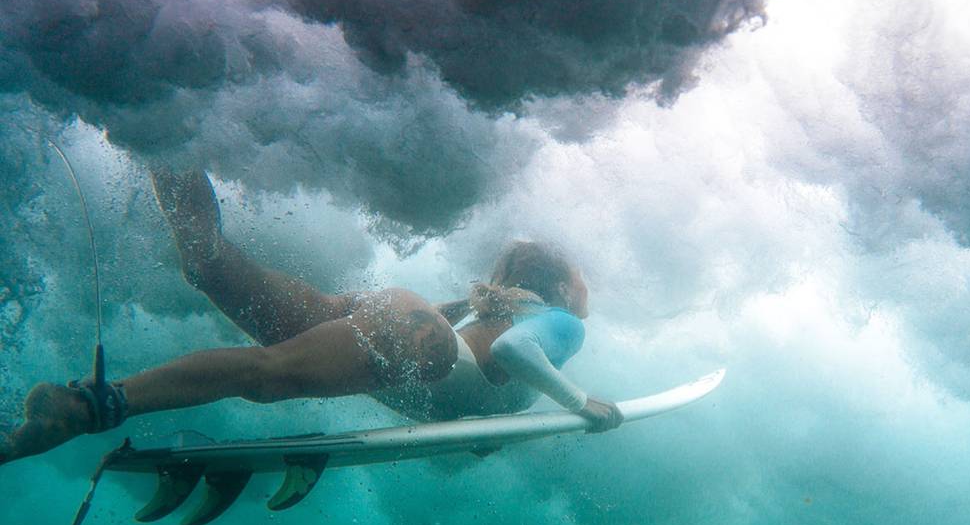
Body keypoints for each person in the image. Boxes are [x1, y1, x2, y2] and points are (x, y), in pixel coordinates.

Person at [0, 169, 622, 465]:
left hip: (408, 321)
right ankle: (91, 406)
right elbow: (513, 356)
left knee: (219, 271)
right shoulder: (564, 327)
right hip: (423, 344)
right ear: (564, 289)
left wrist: (485, 439)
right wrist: (580, 402)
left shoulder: (502, 313)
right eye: (587, 283)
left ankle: (165, 141)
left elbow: (480, 379)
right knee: (269, 373)